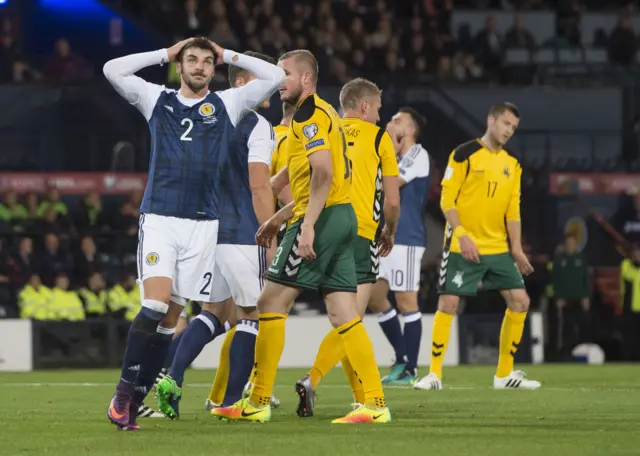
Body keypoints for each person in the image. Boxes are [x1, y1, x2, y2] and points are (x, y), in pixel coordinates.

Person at [102, 36, 284, 430]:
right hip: (162, 219)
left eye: (206, 61)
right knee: (154, 306)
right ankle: (122, 392)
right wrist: (162, 54)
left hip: (204, 227)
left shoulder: (227, 105)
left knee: (171, 320)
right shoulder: (157, 100)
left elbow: (277, 74)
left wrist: (229, 54)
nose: (199, 67)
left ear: (214, 68)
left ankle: (134, 400)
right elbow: (111, 69)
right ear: (180, 65)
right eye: (191, 60)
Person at [212, 50, 390, 424]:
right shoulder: (324, 114)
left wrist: (306, 225)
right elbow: (311, 180)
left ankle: (258, 400)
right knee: (344, 312)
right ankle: (375, 404)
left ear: (306, 79)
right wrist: (279, 217)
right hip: (343, 218)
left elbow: (322, 175)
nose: (280, 82)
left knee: (269, 301)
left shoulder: (308, 115)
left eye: (286, 75)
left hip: (322, 219)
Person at [156, 51, 280, 416]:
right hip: (243, 230)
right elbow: (259, 187)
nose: (271, 90)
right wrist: (269, 234)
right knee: (251, 316)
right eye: (264, 82)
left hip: (207, 229)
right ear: (242, 83)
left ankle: (172, 380)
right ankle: (230, 403)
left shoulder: (206, 119)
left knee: (212, 312)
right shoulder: (256, 125)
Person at [413, 102, 541, 391]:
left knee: (520, 302)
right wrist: (462, 234)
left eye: (514, 128)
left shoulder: (513, 165)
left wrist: (517, 249)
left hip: (497, 247)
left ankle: (504, 375)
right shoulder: (464, 154)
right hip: (462, 244)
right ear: (491, 120)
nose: (509, 131)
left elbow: (513, 212)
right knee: (449, 303)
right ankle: (434, 374)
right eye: (506, 124)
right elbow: (446, 199)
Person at [293, 77, 400, 416]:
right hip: (362, 233)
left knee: (343, 318)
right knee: (352, 320)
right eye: (378, 110)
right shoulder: (380, 137)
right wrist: (390, 230)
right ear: (365, 107)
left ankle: (358, 397)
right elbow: (393, 199)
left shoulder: (330, 131)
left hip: (326, 228)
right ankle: (320, 381)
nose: (381, 117)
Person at [206, 99, 295, 410]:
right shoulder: (272, 133)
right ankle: (254, 389)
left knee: (225, 316)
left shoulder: (229, 125)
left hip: (220, 228)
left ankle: (219, 393)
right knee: (263, 312)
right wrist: (282, 222)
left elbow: (270, 184)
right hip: (254, 229)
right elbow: (271, 188)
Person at [368, 107, 430, 385]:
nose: (391, 123)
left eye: (398, 120)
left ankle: (411, 368)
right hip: (384, 236)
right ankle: (402, 358)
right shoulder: (390, 156)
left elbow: (387, 183)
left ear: (411, 130)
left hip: (405, 238)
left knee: (406, 301)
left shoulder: (418, 154)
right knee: (373, 295)